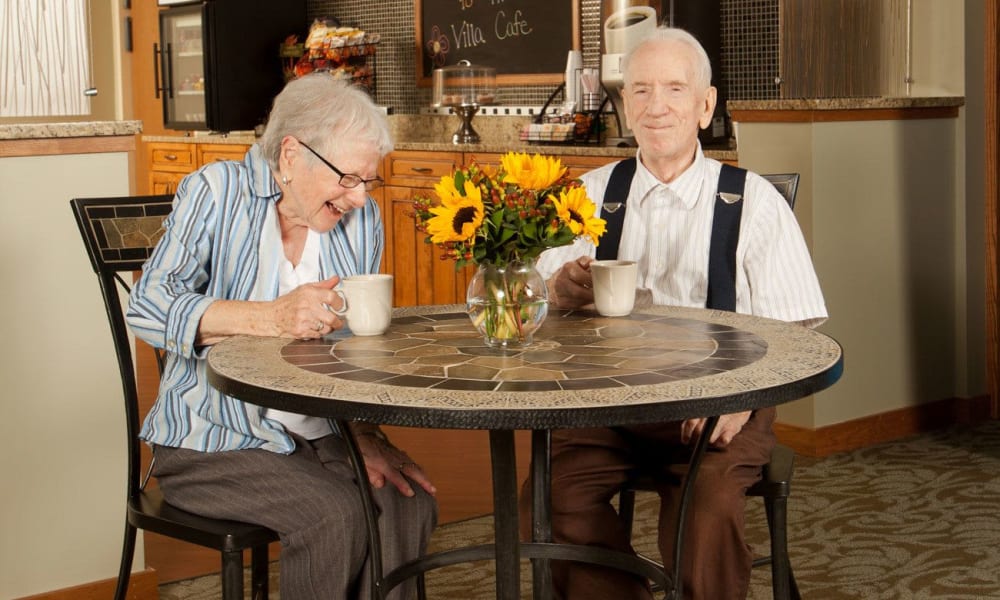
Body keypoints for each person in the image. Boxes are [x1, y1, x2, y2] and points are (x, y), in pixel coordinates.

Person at [518, 27, 828, 600]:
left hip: (721, 409)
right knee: (547, 497)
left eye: (675, 89)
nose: (656, 106)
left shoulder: (753, 201)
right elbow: (518, 302)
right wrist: (556, 291)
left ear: (706, 105)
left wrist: (742, 404)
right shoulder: (586, 195)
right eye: (640, 90)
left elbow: (796, 336)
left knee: (703, 513)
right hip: (606, 408)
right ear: (624, 105)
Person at [126, 74, 437, 600]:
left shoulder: (361, 221)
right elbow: (149, 307)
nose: (360, 198)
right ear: (291, 155)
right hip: (210, 438)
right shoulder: (217, 191)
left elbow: (355, 346)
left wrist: (365, 436)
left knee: (408, 501)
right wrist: (270, 317)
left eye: (369, 181)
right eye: (348, 178)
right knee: (332, 516)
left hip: (321, 432)